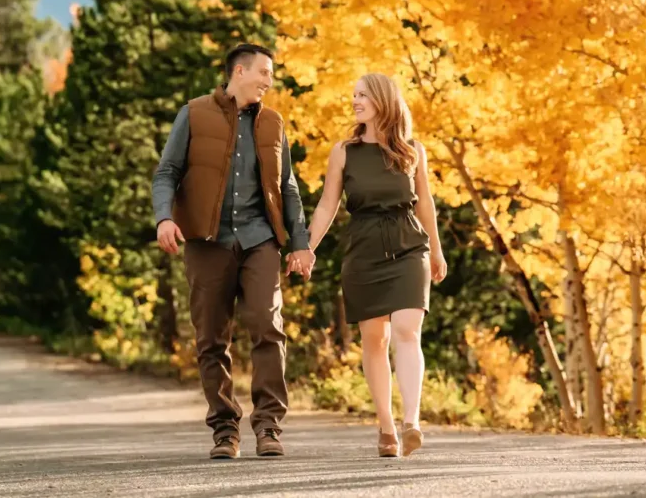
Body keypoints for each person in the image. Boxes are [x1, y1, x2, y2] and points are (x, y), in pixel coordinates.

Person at [152, 43, 316, 460]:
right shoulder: (194, 113)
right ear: (239, 71)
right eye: (264, 72)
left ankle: (268, 427)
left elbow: (288, 187)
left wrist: (300, 243)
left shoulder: (274, 123)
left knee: (267, 325)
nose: (268, 81)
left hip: (260, 239)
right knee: (211, 339)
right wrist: (163, 218)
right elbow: (167, 172)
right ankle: (225, 430)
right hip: (208, 242)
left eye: (271, 75)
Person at [303, 73, 447, 458]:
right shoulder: (344, 151)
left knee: (406, 329)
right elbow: (326, 206)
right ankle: (386, 426)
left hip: (409, 245)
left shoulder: (413, 150)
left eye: (363, 94)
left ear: (384, 99)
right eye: (353, 95)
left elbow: (425, 204)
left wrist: (436, 250)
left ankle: (411, 421)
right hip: (363, 249)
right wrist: (307, 247)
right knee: (374, 339)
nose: (355, 100)